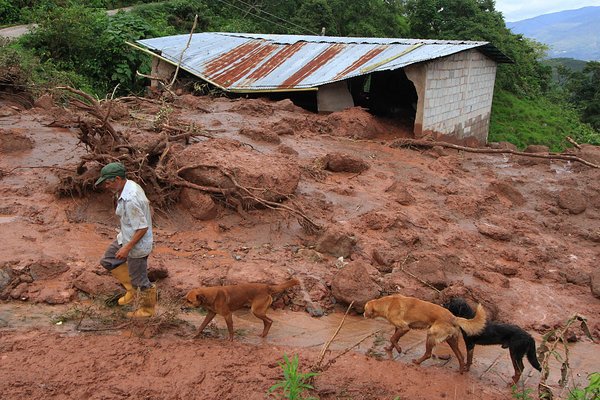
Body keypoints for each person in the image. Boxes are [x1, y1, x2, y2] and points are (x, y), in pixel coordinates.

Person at [95, 162, 157, 318]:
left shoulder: (130, 199)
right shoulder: (126, 186)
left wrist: (126, 248)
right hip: (125, 236)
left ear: (117, 178)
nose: (106, 186)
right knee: (108, 260)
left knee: (140, 280)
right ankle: (131, 290)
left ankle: (147, 311)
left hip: (137, 245)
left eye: (108, 182)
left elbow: (142, 228)